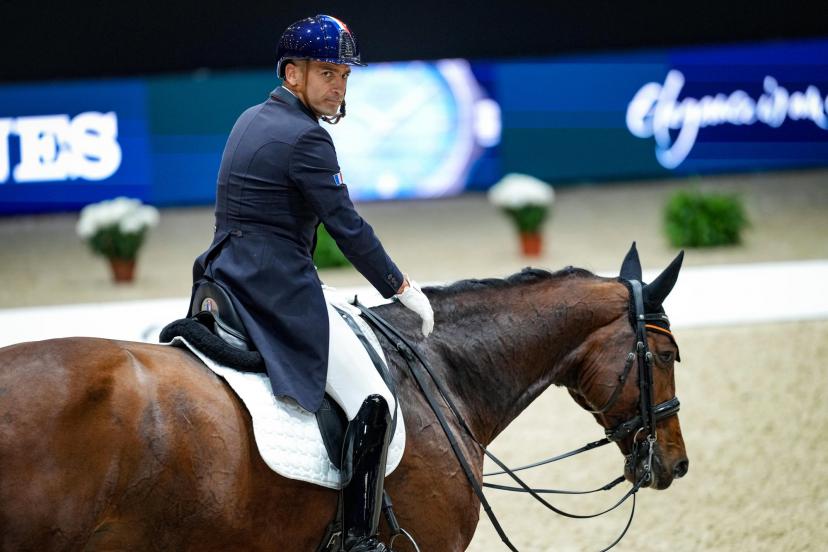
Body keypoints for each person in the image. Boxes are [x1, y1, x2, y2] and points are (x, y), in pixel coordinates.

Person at [189, 14, 434, 552]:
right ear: (292, 73)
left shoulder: (251, 117)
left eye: (345, 75)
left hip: (223, 277)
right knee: (374, 400)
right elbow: (348, 228)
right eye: (327, 73)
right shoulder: (307, 140)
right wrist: (399, 286)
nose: (339, 86)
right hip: (275, 290)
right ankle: (356, 537)